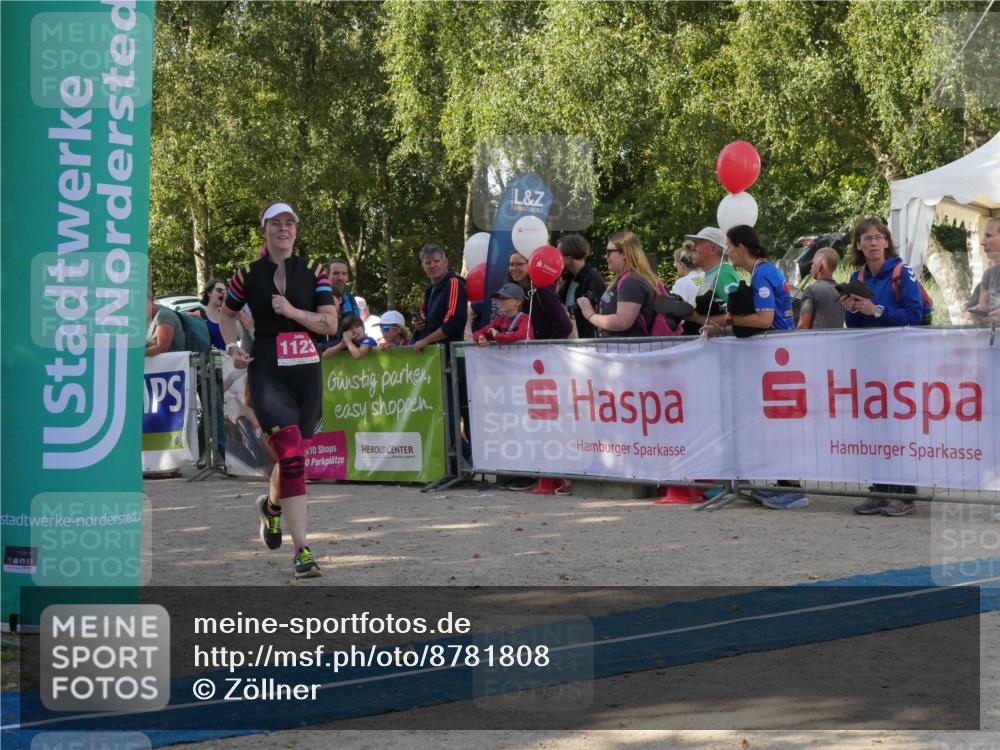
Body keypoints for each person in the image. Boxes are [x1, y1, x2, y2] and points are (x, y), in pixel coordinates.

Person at [220, 201, 338, 578]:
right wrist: (232, 346)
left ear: (296, 230)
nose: (283, 230)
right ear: (265, 230)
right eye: (276, 224)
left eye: (290, 224)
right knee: (291, 458)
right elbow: (226, 314)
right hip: (268, 370)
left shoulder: (314, 271)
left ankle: (271, 508)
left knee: (293, 456)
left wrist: (293, 312)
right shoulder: (246, 274)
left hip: (306, 372)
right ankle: (302, 550)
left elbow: (329, 324)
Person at [839, 217, 922, 517]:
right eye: (866, 238)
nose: (872, 243)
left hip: (900, 362)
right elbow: (856, 324)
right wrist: (853, 310)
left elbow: (914, 314)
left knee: (898, 427)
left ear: (886, 241)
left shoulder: (903, 272)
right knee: (873, 427)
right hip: (870, 363)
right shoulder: (856, 275)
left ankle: (905, 494)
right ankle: (880, 490)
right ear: (858, 245)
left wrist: (877, 310)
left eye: (877, 237)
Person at [575, 231, 661, 338]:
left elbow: (622, 322)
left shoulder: (631, 282)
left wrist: (590, 315)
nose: (605, 256)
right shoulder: (627, 279)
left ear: (624, 253)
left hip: (628, 352)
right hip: (623, 352)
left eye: (609, 252)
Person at [683, 226, 741, 334]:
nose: (693, 248)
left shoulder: (723, 274)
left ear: (713, 249)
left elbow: (737, 317)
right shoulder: (713, 273)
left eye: (698, 244)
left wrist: (696, 318)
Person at [505, 250, 573, 340]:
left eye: (519, 264)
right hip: (526, 351)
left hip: (544, 351)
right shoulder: (514, 291)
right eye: (511, 264)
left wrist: (546, 346)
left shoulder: (544, 288)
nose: (513, 268)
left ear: (531, 264)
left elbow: (565, 327)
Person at [412, 244, 468, 352]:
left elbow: (454, 321)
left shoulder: (454, 283)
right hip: (432, 356)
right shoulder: (429, 289)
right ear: (423, 267)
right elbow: (433, 323)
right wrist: (420, 326)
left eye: (436, 261)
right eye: (428, 263)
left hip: (450, 355)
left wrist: (426, 340)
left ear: (445, 262)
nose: (432, 265)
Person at [557, 234, 607, 339]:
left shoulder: (593, 280)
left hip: (587, 344)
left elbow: (598, 314)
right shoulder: (568, 279)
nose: (556, 258)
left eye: (559, 254)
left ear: (569, 257)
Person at [797, 248, 844, 330]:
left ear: (819, 267)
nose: (811, 266)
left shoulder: (811, 290)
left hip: (816, 341)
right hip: (836, 341)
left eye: (813, 263)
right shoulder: (842, 291)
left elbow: (803, 326)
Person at [970, 218, 1000, 325]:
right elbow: (984, 307)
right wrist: (979, 314)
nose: (982, 242)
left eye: (989, 236)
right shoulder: (988, 274)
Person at [145, 290, 186, 356]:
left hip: (173, 364)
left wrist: (134, 354)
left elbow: (161, 348)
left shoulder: (164, 315)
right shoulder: (151, 318)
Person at [191, 279, 229, 349]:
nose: (223, 294)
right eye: (219, 290)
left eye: (225, 291)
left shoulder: (226, 315)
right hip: (209, 358)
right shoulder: (199, 314)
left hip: (227, 358)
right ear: (209, 293)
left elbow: (239, 335)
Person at [669, 240, 703, 306]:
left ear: (681, 264)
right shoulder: (708, 276)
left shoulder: (682, 283)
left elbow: (675, 307)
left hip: (692, 315)